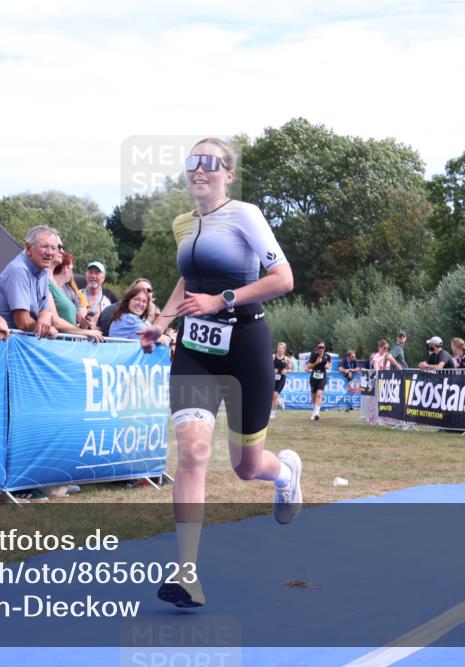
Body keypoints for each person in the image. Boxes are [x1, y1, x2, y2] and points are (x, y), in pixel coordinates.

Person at [138, 137, 298, 609]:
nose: (199, 170)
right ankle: (187, 574)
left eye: (211, 163)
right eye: (192, 163)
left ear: (228, 173)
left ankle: (285, 472)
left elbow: (283, 279)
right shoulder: (183, 223)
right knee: (191, 453)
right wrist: (161, 323)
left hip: (246, 343)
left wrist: (223, 299)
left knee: (247, 468)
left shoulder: (245, 215)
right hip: (195, 349)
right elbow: (190, 280)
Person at [0, 225, 103, 341]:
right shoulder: (19, 271)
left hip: (22, 342)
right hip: (4, 343)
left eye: (54, 248)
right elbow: (23, 323)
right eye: (44, 246)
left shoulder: (43, 269)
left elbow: (45, 309)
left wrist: (45, 315)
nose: (50, 253)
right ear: (29, 248)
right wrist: (46, 328)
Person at [50, 250, 81, 325]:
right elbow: (55, 320)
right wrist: (83, 331)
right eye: (71, 268)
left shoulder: (62, 290)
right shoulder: (49, 285)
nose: (72, 272)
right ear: (65, 268)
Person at [305, 341, 330, 421]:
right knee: (313, 397)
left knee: (319, 394)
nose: (321, 349)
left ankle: (317, 413)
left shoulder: (327, 356)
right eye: (320, 347)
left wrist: (327, 365)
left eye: (323, 347)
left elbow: (329, 365)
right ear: (317, 348)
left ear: (324, 348)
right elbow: (308, 367)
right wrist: (316, 363)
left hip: (322, 377)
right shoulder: (313, 355)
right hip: (314, 378)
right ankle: (314, 411)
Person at [271, 341, 288, 418]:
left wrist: (286, 371)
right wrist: (272, 369)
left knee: (275, 395)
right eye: (279, 348)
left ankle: (272, 413)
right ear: (277, 349)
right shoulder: (273, 357)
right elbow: (267, 365)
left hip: (281, 379)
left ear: (284, 350)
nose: (280, 349)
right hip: (272, 378)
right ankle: (280, 402)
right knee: (272, 396)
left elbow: (291, 368)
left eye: (282, 348)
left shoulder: (287, 359)